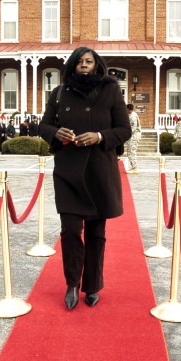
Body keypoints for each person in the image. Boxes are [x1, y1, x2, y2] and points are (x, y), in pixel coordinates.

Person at [39, 46, 131, 310]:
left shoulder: (111, 90)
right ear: (72, 65)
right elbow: (43, 125)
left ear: (96, 65)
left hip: (99, 170)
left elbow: (124, 129)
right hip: (68, 170)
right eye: (79, 61)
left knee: (96, 232)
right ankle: (71, 284)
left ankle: (92, 285)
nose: (84, 65)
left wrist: (100, 136)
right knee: (69, 231)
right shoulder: (59, 93)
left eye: (89, 61)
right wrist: (56, 133)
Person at [126, 103, 141, 174]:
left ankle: (134, 168)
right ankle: (133, 167)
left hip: (134, 136)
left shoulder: (133, 117)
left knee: (131, 152)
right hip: (133, 136)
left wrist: (126, 135)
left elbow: (133, 128)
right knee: (130, 152)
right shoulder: (132, 115)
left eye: (126, 109)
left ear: (128, 109)